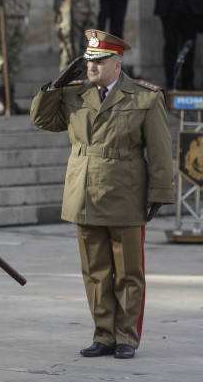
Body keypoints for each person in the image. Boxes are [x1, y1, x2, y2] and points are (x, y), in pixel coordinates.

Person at [30, 30, 175, 360]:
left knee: (127, 273)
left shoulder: (144, 97)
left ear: (117, 64)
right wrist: (55, 85)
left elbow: (161, 150)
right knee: (95, 272)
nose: (91, 66)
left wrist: (160, 193)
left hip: (125, 193)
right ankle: (103, 334)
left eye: (99, 61)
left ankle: (126, 337)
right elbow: (41, 119)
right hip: (83, 192)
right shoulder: (74, 95)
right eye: (88, 61)